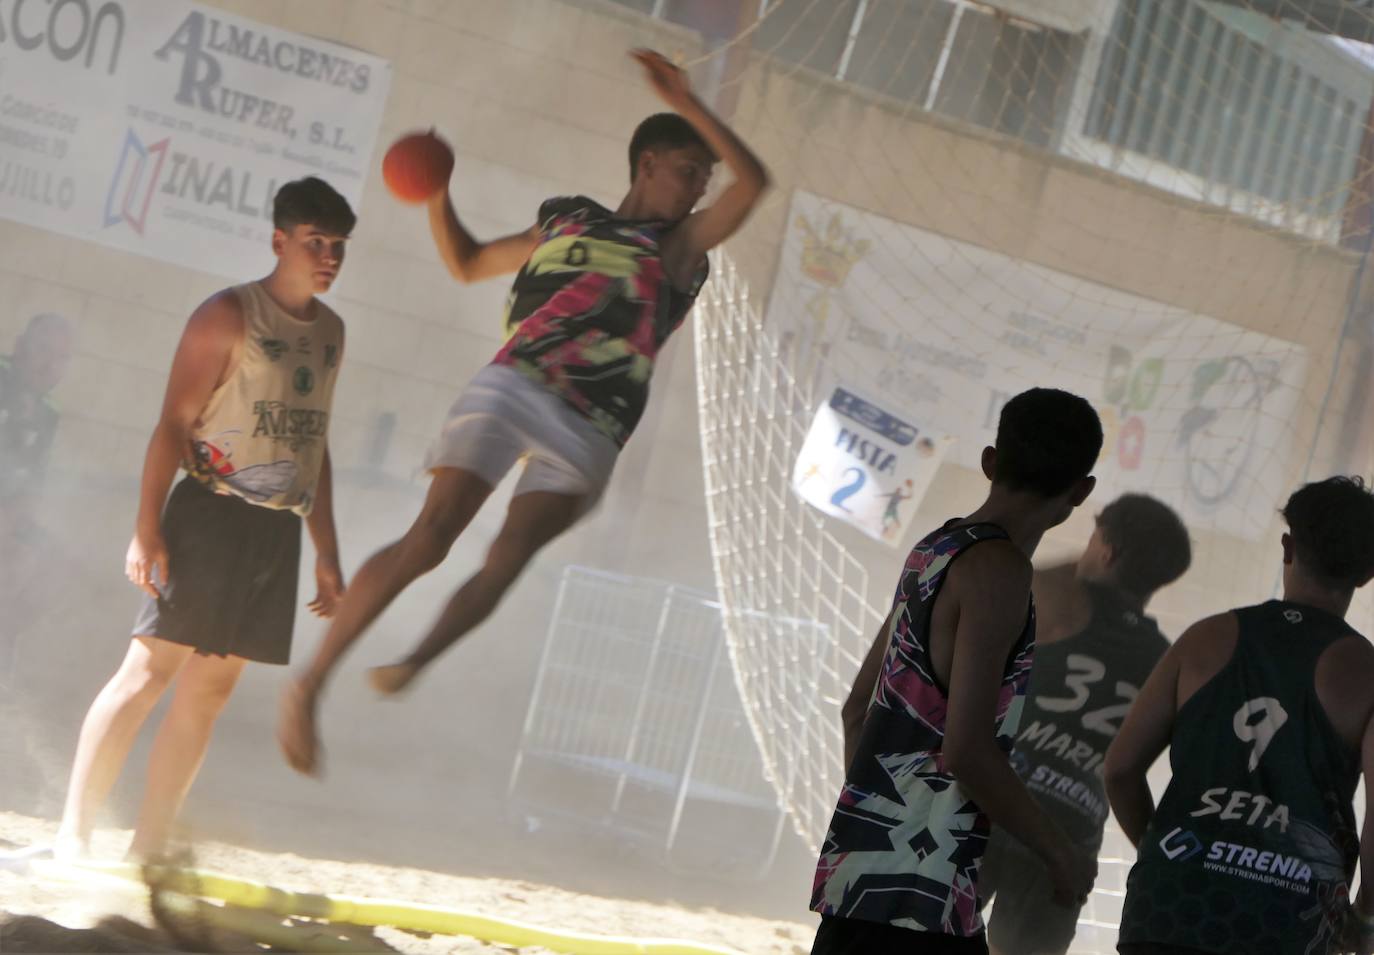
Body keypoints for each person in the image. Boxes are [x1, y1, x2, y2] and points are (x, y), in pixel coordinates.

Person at [276, 49, 769, 776]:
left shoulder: (683, 245)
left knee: (507, 557)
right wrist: (438, 193)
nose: (701, 187)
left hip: (591, 425)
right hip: (516, 384)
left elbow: (755, 182)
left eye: (705, 177)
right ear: (648, 164)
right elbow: (469, 261)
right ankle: (310, 682)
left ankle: (414, 658)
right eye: (690, 170)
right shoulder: (565, 220)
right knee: (432, 536)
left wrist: (693, 101)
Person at [53, 177, 355, 861]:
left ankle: (149, 846)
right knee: (146, 676)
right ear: (280, 241)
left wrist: (327, 551)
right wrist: (146, 526)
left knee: (209, 693)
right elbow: (172, 423)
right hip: (208, 514)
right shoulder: (226, 314)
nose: (329, 256)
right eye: (316, 242)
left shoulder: (332, 332)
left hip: (276, 529)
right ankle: (74, 832)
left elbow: (315, 443)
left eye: (338, 246)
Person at [812, 388, 1103, 955]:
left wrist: (879, 831)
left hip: (862, 883)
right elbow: (967, 750)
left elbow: (857, 710)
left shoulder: (934, 549)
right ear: (1081, 491)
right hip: (924, 899)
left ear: (991, 461)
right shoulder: (1001, 573)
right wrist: (1060, 853)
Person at [1106, 476, 1374, 955]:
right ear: (1368, 571)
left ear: (1288, 547)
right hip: (1288, 922)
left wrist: (1162, 853)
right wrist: (1366, 915)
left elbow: (1120, 769)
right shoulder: (1365, 673)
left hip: (1169, 908)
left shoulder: (1205, 639)